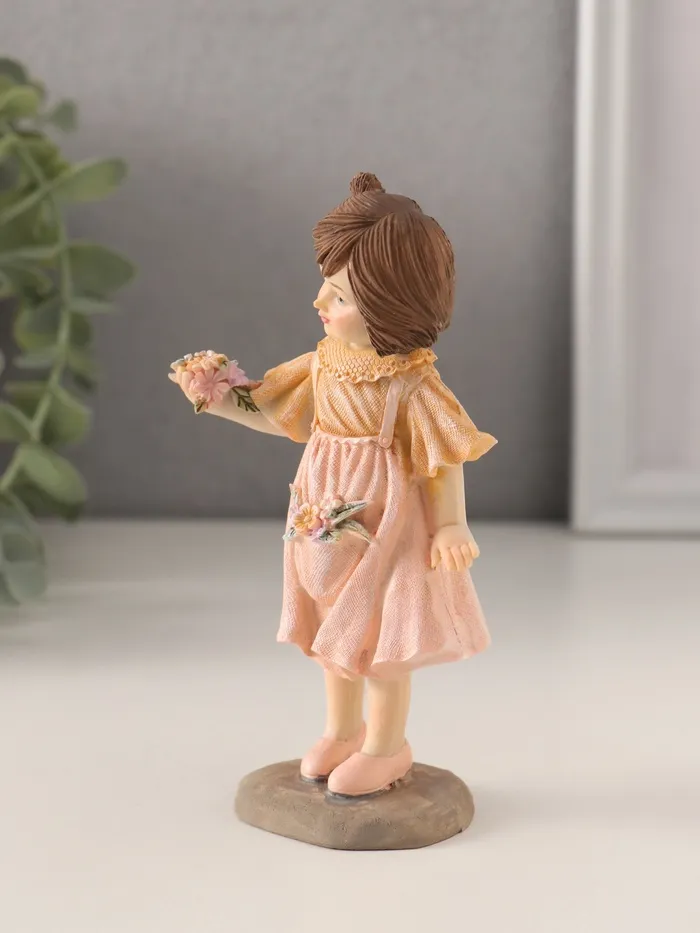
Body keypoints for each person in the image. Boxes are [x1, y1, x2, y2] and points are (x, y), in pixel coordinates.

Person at [169, 172, 496, 798]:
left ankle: (386, 746)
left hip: (388, 523)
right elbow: (275, 412)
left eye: (339, 295)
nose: (319, 301)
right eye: (326, 285)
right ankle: (342, 731)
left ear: (390, 304)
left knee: (380, 637)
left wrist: (451, 523)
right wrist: (217, 396)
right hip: (321, 512)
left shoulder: (410, 383)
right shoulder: (321, 364)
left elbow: (442, 457)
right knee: (330, 626)